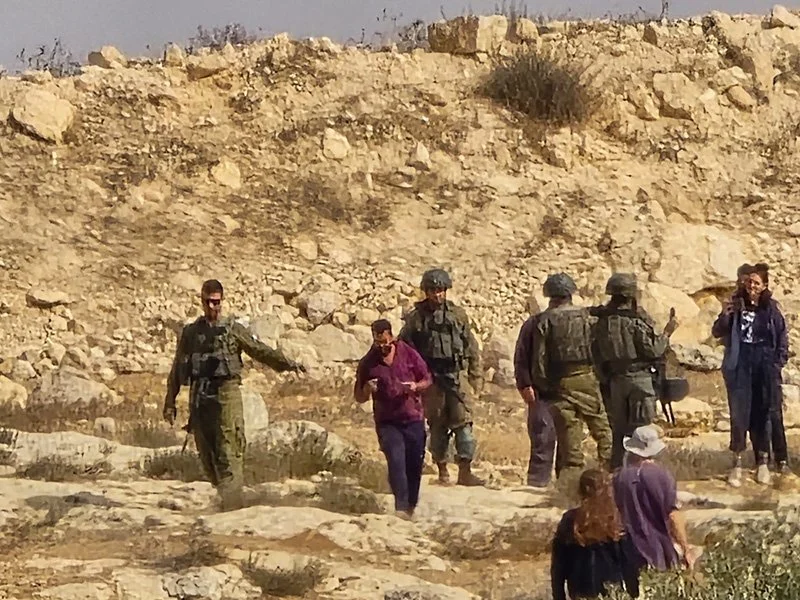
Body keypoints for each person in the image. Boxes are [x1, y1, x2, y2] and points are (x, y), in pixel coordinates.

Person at [162, 279, 304, 510]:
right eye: (207, 301)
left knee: (229, 449)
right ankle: (224, 500)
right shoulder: (191, 333)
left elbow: (259, 350)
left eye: (216, 302)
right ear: (201, 301)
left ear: (222, 301)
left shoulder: (232, 330)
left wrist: (287, 364)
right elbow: (178, 367)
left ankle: (233, 504)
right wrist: (170, 402)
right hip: (200, 396)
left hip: (226, 393)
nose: (212, 307)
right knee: (207, 454)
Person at [398, 268, 485, 486]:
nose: (437, 295)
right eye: (433, 290)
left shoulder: (457, 315)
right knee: (437, 426)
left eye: (441, 290)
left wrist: (476, 377)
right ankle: (442, 471)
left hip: (456, 376)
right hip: (431, 380)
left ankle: (465, 471)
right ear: (425, 291)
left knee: (464, 426)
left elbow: (470, 345)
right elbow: (404, 349)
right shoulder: (416, 319)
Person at [526, 273, 613, 483]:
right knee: (601, 428)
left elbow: (539, 359)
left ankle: (572, 483)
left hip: (561, 383)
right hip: (587, 378)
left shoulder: (544, 321)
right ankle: (610, 472)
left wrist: (543, 385)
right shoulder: (585, 317)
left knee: (569, 434)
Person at [712, 262, 789, 487]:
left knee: (762, 414)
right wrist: (726, 315)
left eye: (756, 283)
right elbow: (717, 331)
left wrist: (777, 364)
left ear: (764, 285)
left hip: (765, 366)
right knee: (739, 415)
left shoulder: (771, 310)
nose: (752, 286)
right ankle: (736, 463)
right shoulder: (736, 305)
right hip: (741, 365)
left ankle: (762, 462)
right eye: (749, 282)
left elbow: (782, 339)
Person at [590, 273, 678, 469]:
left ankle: (617, 472)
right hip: (640, 381)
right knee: (642, 432)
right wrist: (668, 331)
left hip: (615, 381)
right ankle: (641, 474)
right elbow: (654, 350)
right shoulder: (635, 321)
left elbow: (595, 352)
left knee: (619, 431)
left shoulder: (602, 322)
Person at [354, 319, 433, 518]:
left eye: (385, 343)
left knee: (414, 463)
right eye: (378, 343)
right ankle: (400, 507)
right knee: (396, 459)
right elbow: (359, 397)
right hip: (387, 421)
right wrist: (367, 389)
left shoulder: (408, 353)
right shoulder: (368, 362)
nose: (382, 347)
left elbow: (427, 378)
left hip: (412, 416)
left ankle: (411, 505)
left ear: (392, 337)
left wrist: (415, 387)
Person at [613, 425, 701, 572]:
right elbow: (673, 515)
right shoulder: (662, 476)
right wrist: (685, 548)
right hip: (658, 549)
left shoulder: (619, 478)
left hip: (627, 550)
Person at [551, 469, 642, 600]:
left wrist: (558, 596)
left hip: (580, 593)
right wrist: (633, 593)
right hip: (610, 593)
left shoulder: (571, 520)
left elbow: (558, 567)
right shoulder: (615, 520)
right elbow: (628, 564)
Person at [514, 300, 557, 488]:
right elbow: (522, 357)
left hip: (565, 388)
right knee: (542, 436)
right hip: (541, 389)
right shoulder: (534, 324)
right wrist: (525, 384)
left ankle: (565, 483)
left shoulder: (577, 320)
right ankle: (538, 482)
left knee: (568, 438)